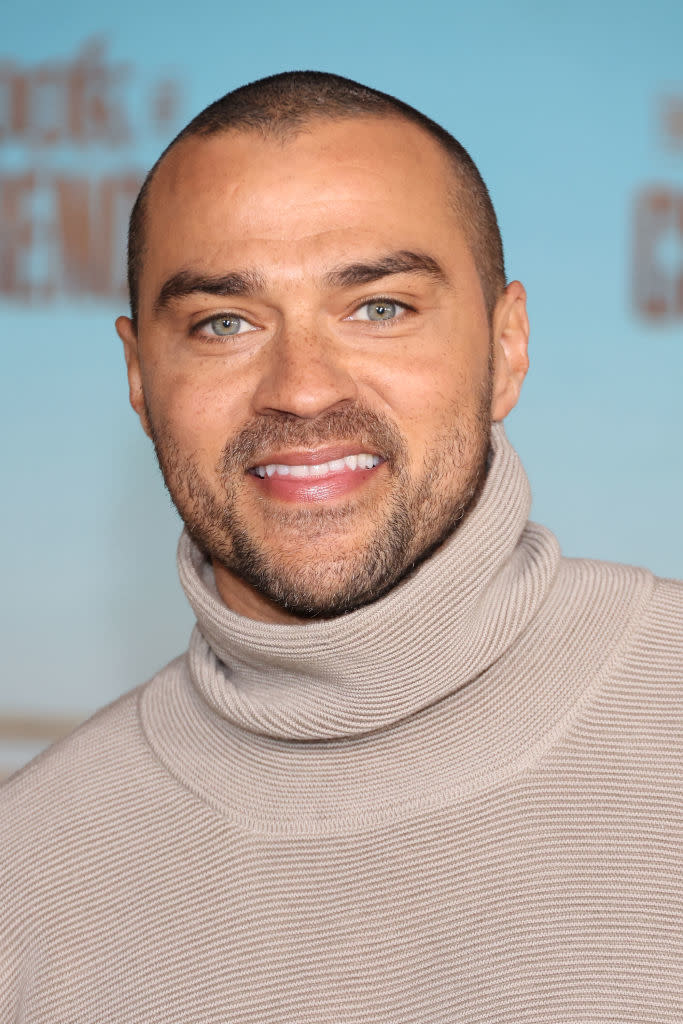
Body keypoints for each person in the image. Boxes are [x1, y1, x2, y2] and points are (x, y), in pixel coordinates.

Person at [2, 71, 680, 1022]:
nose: (304, 390)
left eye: (379, 308)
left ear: (508, 346)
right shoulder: (25, 876)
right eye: (223, 324)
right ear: (139, 378)